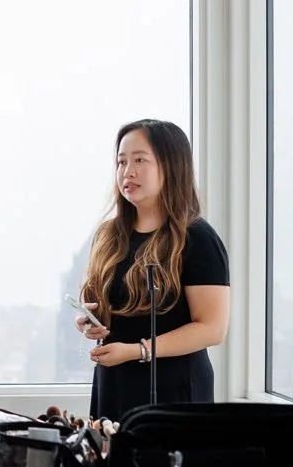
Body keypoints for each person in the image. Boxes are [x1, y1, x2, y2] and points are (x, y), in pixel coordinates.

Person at [78, 117, 229, 423]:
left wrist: (138, 351)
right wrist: (89, 322)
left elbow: (212, 328)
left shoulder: (197, 237)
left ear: (170, 166)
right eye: (121, 162)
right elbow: (110, 309)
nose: (127, 172)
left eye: (140, 160)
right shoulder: (109, 235)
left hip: (174, 388)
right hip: (115, 381)